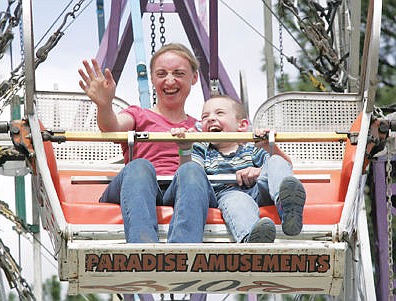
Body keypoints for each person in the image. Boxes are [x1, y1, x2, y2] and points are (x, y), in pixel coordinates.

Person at [78, 43, 215, 244]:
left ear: (194, 78)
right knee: (140, 167)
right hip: (139, 187)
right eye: (161, 74)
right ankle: (144, 251)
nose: (169, 80)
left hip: (181, 188)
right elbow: (113, 127)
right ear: (152, 78)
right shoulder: (138, 115)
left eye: (178, 73)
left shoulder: (201, 127)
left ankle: (183, 252)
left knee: (192, 171)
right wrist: (104, 106)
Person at [171, 95, 306, 243]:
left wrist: (265, 155)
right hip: (227, 193)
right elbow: (190, 177)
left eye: (219, 113)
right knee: (238, 200)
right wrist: (185, 149)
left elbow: (283, 166)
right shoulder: (201, 148)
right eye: (205, 116)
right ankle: (252, 238)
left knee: (276, 160)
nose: (210, 118)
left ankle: (287, 207)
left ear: (241, 125)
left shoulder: (251, 147)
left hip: (258, 190)